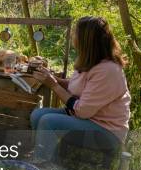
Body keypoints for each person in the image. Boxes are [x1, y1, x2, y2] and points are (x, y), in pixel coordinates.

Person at [30, 16, 131, 161]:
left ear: (86, 40)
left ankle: (45, 169)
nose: (72, 36)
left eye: (76, 33)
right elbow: (76, 86)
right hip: (89, 119)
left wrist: (53, 85)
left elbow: (82, 111)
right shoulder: (92, 60)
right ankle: (45, 157)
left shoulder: (108, 70)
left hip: (107, 132)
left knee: (48, 121)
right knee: (37, 115)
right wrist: (53, 79)